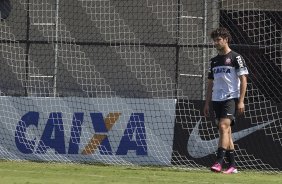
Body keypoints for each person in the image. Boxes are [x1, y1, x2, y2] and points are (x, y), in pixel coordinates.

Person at [203, 27, 248, 174]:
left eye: (218, 40)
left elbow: (244, 79)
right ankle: (233, 165)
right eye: (214, 40)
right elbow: (210, 83)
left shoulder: (236, 57)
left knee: (223, 127)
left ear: (226, 39)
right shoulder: (214, 61)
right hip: (217, 99)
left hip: (231, 98)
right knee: (226, 131)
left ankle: (219, 161)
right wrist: (207, 102)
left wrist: (241, 101)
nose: (216, 42)